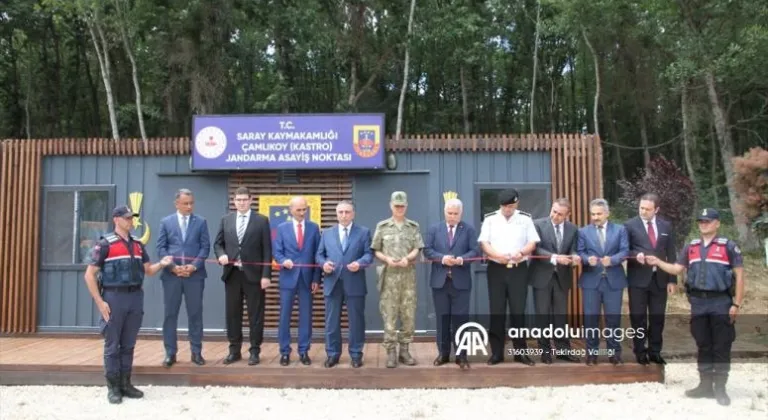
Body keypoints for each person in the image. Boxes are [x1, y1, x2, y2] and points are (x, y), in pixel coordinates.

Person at [647, 208, 745, 406]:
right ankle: (705, 385)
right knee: (703, 344)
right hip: (698, 303)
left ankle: (720, 388)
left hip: (721, 303)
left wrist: (736, 303)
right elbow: (677, 268)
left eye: (708, 221)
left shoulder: (728, 247)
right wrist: (658, 261)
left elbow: (741, 276)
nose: (704, 224)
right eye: (701, 221)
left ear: (717, 223)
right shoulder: (691, 247)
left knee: (721, 346)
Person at [83, 205, 173, 404]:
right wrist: (100, 302)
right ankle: (113, 387)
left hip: (135, 298)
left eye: (131, 218)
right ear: (116, 220)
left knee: (129, 345)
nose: (130, 221)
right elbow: (89, 275)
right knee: (112, 344)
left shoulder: (138, 245)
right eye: (126, 218)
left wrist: (163, 263)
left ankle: (126, 384)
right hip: (114, 297)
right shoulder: (105, 244)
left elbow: (148, 270)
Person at [477, 189, 539, 366]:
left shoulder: (525, 219)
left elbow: (532, 242)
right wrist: (497, 256)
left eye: (511, 206)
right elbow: (484, 243)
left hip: (518, 269)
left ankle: (520, 353)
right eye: (504, 207)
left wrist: (521, 252)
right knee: (497, 312)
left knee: (518, 312)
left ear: (516, 204)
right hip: (496, 269)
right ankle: (497, 353)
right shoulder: (490, 219)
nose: (507, 210)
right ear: (500, 205)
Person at [213, 186, 272, 366]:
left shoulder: (261, 220)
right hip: (232, 275)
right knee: (233, 314)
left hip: (254, 276)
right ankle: (234, 350)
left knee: (255, 314)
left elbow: (267, 250)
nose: (241, 203)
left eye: (244, 199)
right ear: (234, 201)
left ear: (251, 199)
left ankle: (254, 351)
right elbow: (218, 244)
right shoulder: (226, 220)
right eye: (238, 200)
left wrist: (266, 275)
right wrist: (221, 254)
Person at [156, 188, 211, 368]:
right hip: (171, 277)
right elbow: (161, 248)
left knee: (195, 314)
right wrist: (173, 268)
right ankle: (170, 353)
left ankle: (196, 352)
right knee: (170, 314)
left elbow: (205, 248)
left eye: (191, 203)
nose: (189, 206)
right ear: (176, 204)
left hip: (194, 276)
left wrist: (193, 266)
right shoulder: (166, 222)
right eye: (186, 203)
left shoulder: (201, 222)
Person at [315, 200, 373, 368]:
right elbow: (319, 255)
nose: (344, 215)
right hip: (332, 283)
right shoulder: (326, 233)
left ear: (353, 213)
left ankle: (356, 354)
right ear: (336, 214)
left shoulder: (363, 232)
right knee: (331, 322)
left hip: (355, 283)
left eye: (347, 212)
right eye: (340, 212)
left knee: (356, 321)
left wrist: (360, 263)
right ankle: (332, 354)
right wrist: (323, 264)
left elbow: (369, 255)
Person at [423, 198, 479, 369]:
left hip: (461, 281)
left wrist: (462, 260)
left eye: (456, 214)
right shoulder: (434, 229)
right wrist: (442, 258)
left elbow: (475, 251)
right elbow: (427, 250)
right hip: (440, 282)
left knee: (460, 320)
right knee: (442, 320)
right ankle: (443, 354)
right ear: (444, 212)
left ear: (461, 213)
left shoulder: (468, 229)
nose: (453, 216)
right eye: (450, 213)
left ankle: (461, 356)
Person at [371, 191, 425, 368]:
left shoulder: (413, 226)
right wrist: (386, 259)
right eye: (396, 206)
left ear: (406, 206)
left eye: (402, 206)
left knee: (408, 314)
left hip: (408, 276)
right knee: (389, 315)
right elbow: (376, 249)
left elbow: (418, 248)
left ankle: (404, 350)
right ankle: (391, 352)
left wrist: (407, 258)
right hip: (389, 277)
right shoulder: (383, 226)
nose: (399, 209)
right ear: (391, 206)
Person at [624, 193, 677, 365]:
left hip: (660, 279)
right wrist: (635, 255)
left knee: (657, 317)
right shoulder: (629, 225)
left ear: (657, 210)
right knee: (638, 317)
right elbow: (624, 249)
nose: (643, 211)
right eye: (641, 208)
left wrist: (672, 280)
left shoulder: (666, 226)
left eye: (647, 209)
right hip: (638, 279)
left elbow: (671, 254)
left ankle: (655, 351)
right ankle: (640, 351)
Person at [577, 198, 629, 366]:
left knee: (613, 320)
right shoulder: (583, 232)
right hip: (591, 281)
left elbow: (625, 250)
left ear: (607, 213)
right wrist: (587, 259)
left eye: (599, 214)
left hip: (613, 281)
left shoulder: (620, 230)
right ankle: (591, 354)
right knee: (591, 319)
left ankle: (614, 354)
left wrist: (613, 260)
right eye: (593, 214)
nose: (595, 217)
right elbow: (580, 252)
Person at [529, 198, 581, 364]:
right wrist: (555, 258)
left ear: (568, 215)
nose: (555, 216)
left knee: (560, 316)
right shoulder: (537, 224)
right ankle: (545, 352)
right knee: (542, 316)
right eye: (554, 211)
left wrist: (574, 257)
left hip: (562, 278)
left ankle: (563, 351)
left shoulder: (573, 229)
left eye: (560, 214)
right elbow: (535, 248)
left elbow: (573, 249)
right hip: (542, 276)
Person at [273, 196, 321, 366]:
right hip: (288, 277)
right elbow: (277, 252)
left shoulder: (314, 228)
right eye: (299, 210)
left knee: (306, 316)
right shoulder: (282, 228)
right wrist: (283, 260)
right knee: (284, 316)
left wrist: (316, 278)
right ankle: (284, 352)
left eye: (304, 209)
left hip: (307, 280)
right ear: (290, 210)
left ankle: (304, 351)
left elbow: (318, 255)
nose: (302, 213)